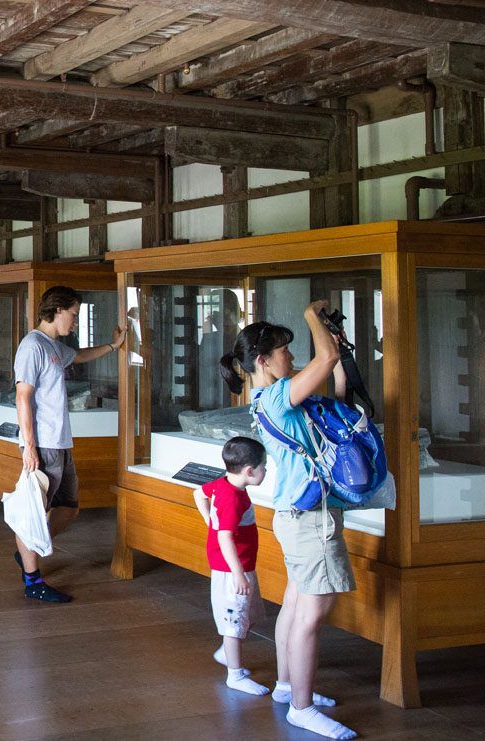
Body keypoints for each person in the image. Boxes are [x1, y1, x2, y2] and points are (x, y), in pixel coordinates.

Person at [219, 303, 355, 740]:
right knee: (312, 613)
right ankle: (302, 706)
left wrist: (332, 345)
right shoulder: (278, 395)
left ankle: (287, 686)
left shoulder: (266, 398)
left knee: (296, 606)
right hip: (309, 520)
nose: (291, 359)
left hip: (295, 513)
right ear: (263, 361)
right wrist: (311, 316)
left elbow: (332, 380)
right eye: (284, 352)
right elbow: (326, 360)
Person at [13, 286, 124, 603]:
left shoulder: (53, 346)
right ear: (57, 310)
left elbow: (80, 355)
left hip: (60, 442)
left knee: (69, 509)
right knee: (36, 511)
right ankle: (33, 579)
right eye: (73, 314)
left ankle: (28, 549)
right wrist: (30, 446)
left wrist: (113, 347)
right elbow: (23, 396)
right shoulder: (32, 345)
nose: (75, 321)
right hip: (43, 444)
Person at [192, 436, 270, 697]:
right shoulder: (233, 499)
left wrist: (208, 521)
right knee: (234, 621)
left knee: (248, 615)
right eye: (263, 467)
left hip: (241, 565)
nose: (265, 471)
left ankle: (228, 653)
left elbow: (198, 493)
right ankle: (234, 674)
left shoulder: (223, 484)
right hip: (232, 570)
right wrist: (238, 574)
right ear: (249, 471)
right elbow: (225, 537)